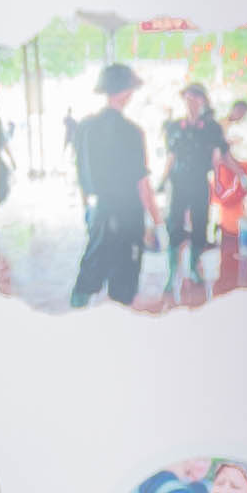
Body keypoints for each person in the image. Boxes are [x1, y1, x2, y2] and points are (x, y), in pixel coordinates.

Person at [67, 66, 154, 310]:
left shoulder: (85, 127)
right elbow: (142, 184)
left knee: (91, 267)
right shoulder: (132, 132)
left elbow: (80, 171)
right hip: (128, 213)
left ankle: (77, 311)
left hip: (100, 210)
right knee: (124, 276)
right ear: (126, 92)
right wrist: (156, 222)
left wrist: (88, 208)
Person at [165, 83, 228, 303]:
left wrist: (223, 181)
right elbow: (171, 155)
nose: (191, 102)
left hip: (200, 181)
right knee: (174, 224)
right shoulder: (175, 126)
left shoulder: (211, 128)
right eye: (188, 98)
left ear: (203, 101)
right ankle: (172, 272)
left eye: (195, 98)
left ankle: (193, 267)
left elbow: (219, 156)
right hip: (178, 182)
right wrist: (162, 179)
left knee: (200, 223)